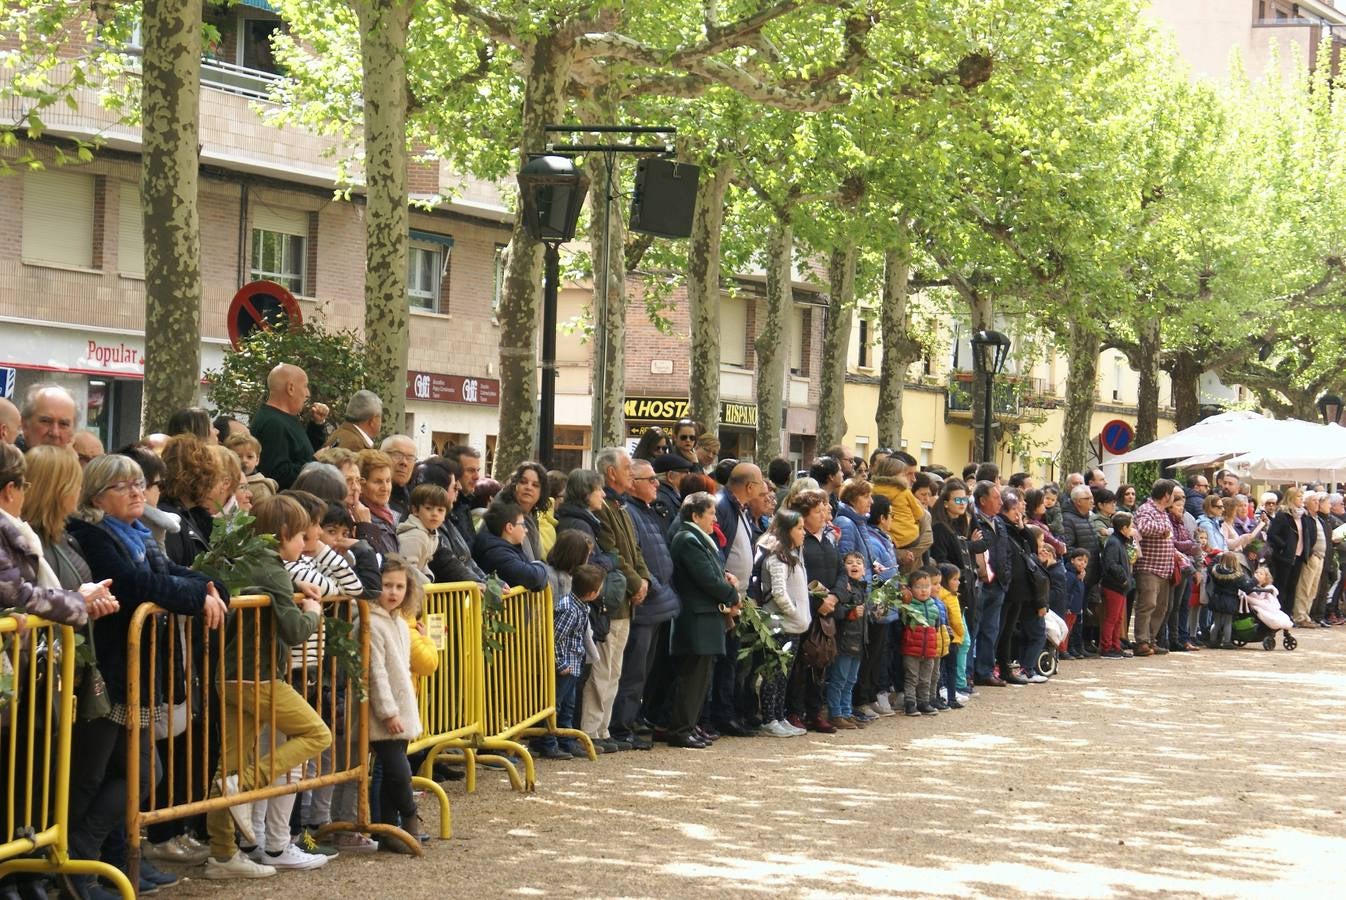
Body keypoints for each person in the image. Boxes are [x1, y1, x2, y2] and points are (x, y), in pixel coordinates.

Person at [64, 454, 229, 889]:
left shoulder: (138, 534)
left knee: (131, 772)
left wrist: (208, 588)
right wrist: (197, 597)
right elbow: (135, 586)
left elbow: (170, 573)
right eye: (125, 486)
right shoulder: (92, 534)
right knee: (105, 775)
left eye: (140, 483)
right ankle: (79, 859)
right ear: (97, 496)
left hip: (134, 673)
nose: (139, 492)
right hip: (109, 671)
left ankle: (107, 862)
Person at [203, 494, 329, 878]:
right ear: (284, 534)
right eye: (301, 539)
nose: (306, 546)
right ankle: (245, 785)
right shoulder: (272, 568)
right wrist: (312, 613)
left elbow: (269, 582)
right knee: (317, 733)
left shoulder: (255, 562)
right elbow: (292, 630)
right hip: (256, 676)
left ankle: (222, 855)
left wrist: (292, 586)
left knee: (229, 764)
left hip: (231, 674)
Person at [585, 449, 650, 749]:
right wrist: (636, 583)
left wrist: (643, 579)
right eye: (626, 468)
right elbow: (612, 551)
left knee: (616, 669)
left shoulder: (621, 506)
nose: (630, 473)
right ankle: (591, 730)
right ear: (611, 472)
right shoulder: (604, 507)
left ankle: (604, 729)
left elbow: (634, 550)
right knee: (603, 667)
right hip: (612, 600)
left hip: (627, 599)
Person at [613, 459, 681, 748]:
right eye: (650, 479)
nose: (657, 484)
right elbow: (633, 557)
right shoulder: (630, 512)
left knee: (644, 672)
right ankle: (621, 726)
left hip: (657, 602)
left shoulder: (647, 511)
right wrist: (650, 584)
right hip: (645, 603)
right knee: (632, 672)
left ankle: (633, 720)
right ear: (634, 483)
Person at [666, 492, 740, 749]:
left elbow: (715, 571)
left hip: (706, 616)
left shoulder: (698, 537)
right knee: (693, 677)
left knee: (702, 676)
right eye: (711, 513)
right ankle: (680, 728)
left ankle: (690, 725)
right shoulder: (688, 538)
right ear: (696, 515)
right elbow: (706, 578)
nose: (715, 519)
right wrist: (731, 593)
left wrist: (726, 578)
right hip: (696, 616)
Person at [365, 555, 427, 848]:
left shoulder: (401, 624)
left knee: (393, 775)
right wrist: (388, 712)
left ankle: (389, 832)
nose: (393, 592)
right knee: (398, 772)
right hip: (384, 713)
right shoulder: (371, 623)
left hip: (401, 708)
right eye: (386, 585)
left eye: (399, 586)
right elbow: (375, 672)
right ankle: (410, 819)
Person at [537, 563, 604, 760]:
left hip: (574, 664)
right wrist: (560, 664)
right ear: (592, 593)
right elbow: (555, 637)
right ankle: (548, 743)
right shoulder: (570, 609)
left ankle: (566, 740)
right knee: (555, 706)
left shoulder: (580, 605)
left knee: (568, 706)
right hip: (565, 667)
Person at [787, 489, 840, 732]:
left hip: (829, 612)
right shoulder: (797, 543)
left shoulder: (828, 539)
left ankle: (815, 711)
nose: (823, 516)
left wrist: (836, 596)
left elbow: (841, 572)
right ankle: (795, 711)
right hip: (805, 611)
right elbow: (794, 580)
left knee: (821, 663)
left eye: (824, 511)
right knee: (800, 664)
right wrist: (817, 602)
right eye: (817, 512)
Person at [756, 510, 810, 738]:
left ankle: (779, 716)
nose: (803, 532)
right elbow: (779, 593)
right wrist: (795, 613)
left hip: (793, 626)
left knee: (783, 675)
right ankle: (769, 719)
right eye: (799, 528)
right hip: (779, 624)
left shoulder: (792, 554)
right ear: (787, 531)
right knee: (773, 674)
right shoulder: (777, 557)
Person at [252, 363, 329, 490]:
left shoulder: (282, 417)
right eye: (305, 386)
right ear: (291, 388)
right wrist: (314, 462)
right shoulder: (273, 424)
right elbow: (278, 475)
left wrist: (317, 425)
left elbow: (301, 453)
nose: (308, 393)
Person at [1131, 480, 1178, 657]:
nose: (1174, 498)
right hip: (1149, 567)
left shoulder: (1163, 512)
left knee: (1161, 607)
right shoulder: (1147, 509)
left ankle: (1151, 640)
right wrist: (1163, 530)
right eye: (1173, 494)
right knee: (1147, 604)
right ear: (1166, 495)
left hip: (1164, 568)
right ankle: (1141, 641)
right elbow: (1142, 527)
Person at [971, 482, 1012, 687]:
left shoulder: (1000, 522)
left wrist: (1006, 575)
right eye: (996, 498)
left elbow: (1006, 551)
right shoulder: (973, 520)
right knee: (974, 629)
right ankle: (968, 674)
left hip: (999, 584)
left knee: (991, 630)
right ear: (983, 500)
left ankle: (985, 671)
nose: (1001, 502)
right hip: (980, 583)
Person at [826, 551, 870, 729]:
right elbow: (835, 611)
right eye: (850, 562)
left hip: (859, 642)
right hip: (844, 640)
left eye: (858, 563)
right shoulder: (843, 588)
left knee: (851, 679)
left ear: (864, 570)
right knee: (839, 679)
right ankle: (835, 713)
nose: (854, 565)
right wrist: (849, 613)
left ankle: (846, 711)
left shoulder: (862, 589)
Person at [472, 501, 549, 591]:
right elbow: (532, 577)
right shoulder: (497, 553)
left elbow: (535, 583)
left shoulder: (506, 548)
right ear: (509, 527)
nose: (526, 529)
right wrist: (541, 566)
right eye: (523, 524)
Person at [899, 569, 941, 716]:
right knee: (912, 677)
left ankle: (924, 702)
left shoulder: (934, 606)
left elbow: (936, 628)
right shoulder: (908, 606)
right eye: (918, 587)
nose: (923, 590)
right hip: (911, 648)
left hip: (929, 649)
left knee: (926, 678)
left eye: (926, 586)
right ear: (910, 589)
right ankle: (910, 703)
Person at [1267, 486, 1309, 619]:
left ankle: (1287, 615)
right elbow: (1272, 534)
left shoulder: (1302, 515)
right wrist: (1284, 546)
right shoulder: (1283, 515)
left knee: (1292, 587)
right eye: (1298, 497)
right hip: (1284, 557)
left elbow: (1305, 534)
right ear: (1291, 498)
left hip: (1298, 556)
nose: (1301, 499)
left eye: (1302, 497)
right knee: (1281, 586)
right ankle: (1278, 613)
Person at [871, 457, 924, 559]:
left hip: (887, 536)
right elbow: (919, 514)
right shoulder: (904, 492)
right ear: (895, 476)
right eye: (904, 475)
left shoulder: (873, 489)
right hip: (909, 537)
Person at [396, 483, 449, 584]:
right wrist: (427, 583)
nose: (435, 514)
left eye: (440, 510)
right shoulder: (415, 535)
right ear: (415, 510)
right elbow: (406, 568)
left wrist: (429, 575)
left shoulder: (432, 534)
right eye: (428, 508)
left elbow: (422, 561)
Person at [498, 461, 551, 561]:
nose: (528, 487)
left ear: (541, 492)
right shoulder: (503, 515)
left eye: (535, 485)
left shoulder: (531, 517)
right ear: (514, 485)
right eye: (523, 482)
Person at [355, 449, 399, 556]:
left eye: (388, 481)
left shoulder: (390, 516)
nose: (385, 488)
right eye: (378, 482)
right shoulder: (360, 519)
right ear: (361, 484)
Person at [1207, 550, 1251, 650]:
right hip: (1230, 600)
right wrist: (1255, 580)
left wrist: (1217, 557)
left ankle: (1213, 641)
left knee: (1216, 622)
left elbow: (1210, 566)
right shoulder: (1237, 576)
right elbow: (1247, 587)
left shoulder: (1215, 571)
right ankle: (1226, 641)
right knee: (1228, 622)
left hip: (1217, 598)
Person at [936, 564, 967, 707]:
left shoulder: (938, 595)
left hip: (940, 637)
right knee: (951, 669)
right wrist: (961, 633)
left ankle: (936, 696)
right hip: (952, 638)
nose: (958, 582)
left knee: (938, 669)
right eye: (954, 579)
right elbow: (956, 620)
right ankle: (952, 698)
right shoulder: (950, 597)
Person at [19, 384, 77, 449]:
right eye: (46, 421)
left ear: (72, 433)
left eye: (63, 424)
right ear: (24, 425)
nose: (55, 433)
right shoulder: (8, 457)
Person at [226, 433, 277, 504]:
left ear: (257, 460)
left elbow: (262, 513)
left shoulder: (261, 488)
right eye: (238, 456)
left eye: (250, 457)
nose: (244, 460)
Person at [380, 435, 417, 518]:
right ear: (381, 456)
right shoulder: (370, 499)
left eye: (410, 458)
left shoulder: (416, 500)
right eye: (397, 455)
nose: (404, 462)